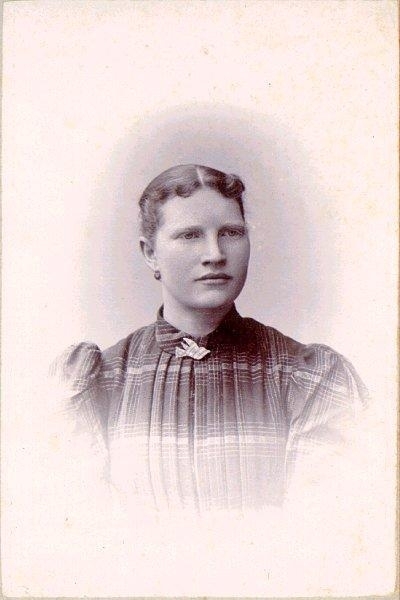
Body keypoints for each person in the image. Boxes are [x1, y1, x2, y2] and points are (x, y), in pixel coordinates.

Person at [51, 164, 368, 513]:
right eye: (190, 235)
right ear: (150, 253)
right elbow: (83, 526)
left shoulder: (308, 378)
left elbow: (323, 528)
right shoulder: (102, 380)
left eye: (231, 232)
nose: (215, 254)